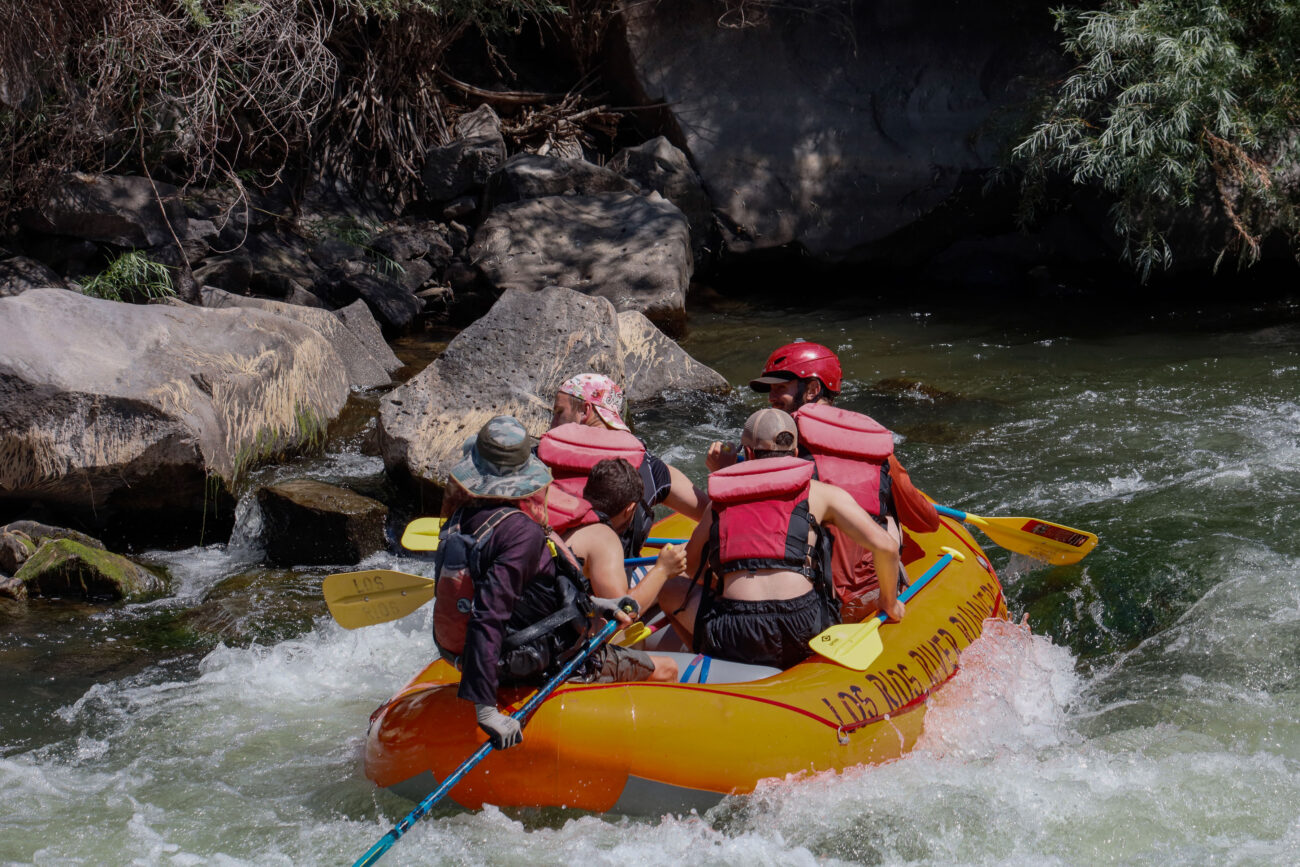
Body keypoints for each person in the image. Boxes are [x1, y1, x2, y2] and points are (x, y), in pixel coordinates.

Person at [432, 416, 676, 751]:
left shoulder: (463, 520)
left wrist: (600, 604)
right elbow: (490, 614)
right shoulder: (520, 533)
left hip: (486, 654)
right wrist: (486, 709)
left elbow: (532, 599)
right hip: (531, 662)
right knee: (668, 670)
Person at [707, 339, 941, 623]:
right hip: (869, 595)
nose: (771, 396)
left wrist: (725, 473)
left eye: (781, 387)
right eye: (770, 389)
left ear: (814, 389)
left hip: (812, 603)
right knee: (891, 521)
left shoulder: (778, 458)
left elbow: (740, 532)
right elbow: (927, 522)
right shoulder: (879, 452)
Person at [660, 409, 903, 670]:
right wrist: (888, 604)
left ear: (749, 454)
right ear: (796, 454)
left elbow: (691, 570)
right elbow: (887, 547)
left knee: (668, 589)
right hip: (804, 626)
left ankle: (713, 667)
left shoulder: (719, 502)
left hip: (737, 631)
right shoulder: (822, 494)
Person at [543, 373, 707, 563]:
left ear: (584, 411)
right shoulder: (650, 466)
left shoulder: (538, 460)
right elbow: (711, 514)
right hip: (620, 584)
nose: (552, 424)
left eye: (558, 412)